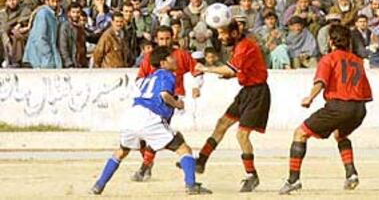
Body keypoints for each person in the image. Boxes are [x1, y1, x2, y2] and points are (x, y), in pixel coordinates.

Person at [90, 46, 212, 195]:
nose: (174, 60)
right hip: (150, 117)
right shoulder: (167, 75)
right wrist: (177, 104)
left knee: (121, 151)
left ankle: (99, 185)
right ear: (163, 63)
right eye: (170, 58)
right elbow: (164, 95)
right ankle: (191, 185)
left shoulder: (147, 78)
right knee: (183, 148)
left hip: (132, 116)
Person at [279, 24, 373, 194]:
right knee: (340, 134)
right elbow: (366, 93)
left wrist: (310, 97)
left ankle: (293, 180)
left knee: (300, 133)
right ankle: (351, 174)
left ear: (330, 42)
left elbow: (321, 81)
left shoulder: (328, 59)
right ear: (349, 42)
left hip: (339, 106)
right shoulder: (357, 61)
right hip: (359, 109)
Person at [190, 20, 271, 193]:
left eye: (222, 33)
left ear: (234, 33)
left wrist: (205, 68)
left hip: (257, 94)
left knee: (242, 135)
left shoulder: (244, 46)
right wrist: (232, 75)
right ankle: (201, 161)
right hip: (247, 91)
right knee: (222, 124)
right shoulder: (240, 46)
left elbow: (231, 69)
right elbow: (242, 70)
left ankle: (252, 175)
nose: (219, 37)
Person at [132, 25, 203, 181]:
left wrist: (197, 86)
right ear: (156, 40)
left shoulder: (180, 55)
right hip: (154, 103)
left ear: (173, 38)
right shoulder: (151, 57)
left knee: (158, 136)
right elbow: (139, 79)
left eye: (167, 38)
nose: (164, 42)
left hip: (172, 102)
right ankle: (146, 167)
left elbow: (197, 70)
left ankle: (146, 168)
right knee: (151, 137)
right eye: (161, 39)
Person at [23, 0, 62, 68]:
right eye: (52, 1)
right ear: (47, 2)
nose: (55, 4)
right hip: (39, 57)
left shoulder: (53, 15)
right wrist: (48, 53)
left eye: (57, 1)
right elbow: (40, 37)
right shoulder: (43, 14)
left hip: (45, 56)